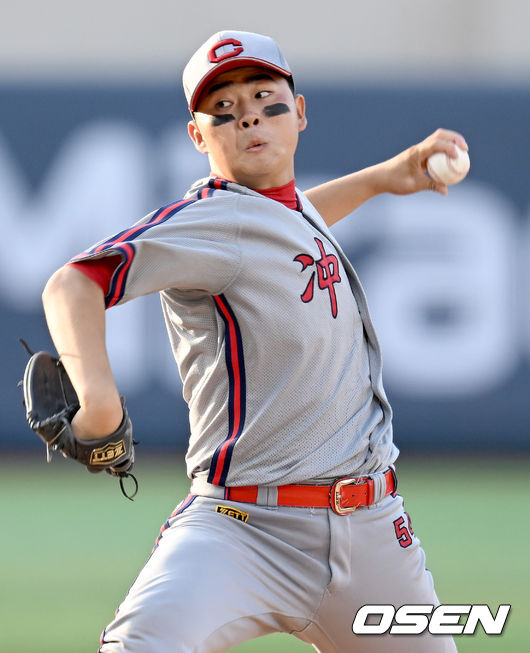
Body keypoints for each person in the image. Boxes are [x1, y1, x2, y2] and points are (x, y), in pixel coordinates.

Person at [42, 30, 464, 653]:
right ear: (197, 136)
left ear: (299, 112)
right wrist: (98, 402)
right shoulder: (213, 219)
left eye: (266, 101)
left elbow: (282, 231)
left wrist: (380, 179)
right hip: (243, 529)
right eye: (225, 112)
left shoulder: (281, 214)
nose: (250, 120)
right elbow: (71, 284)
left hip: (372, 531)